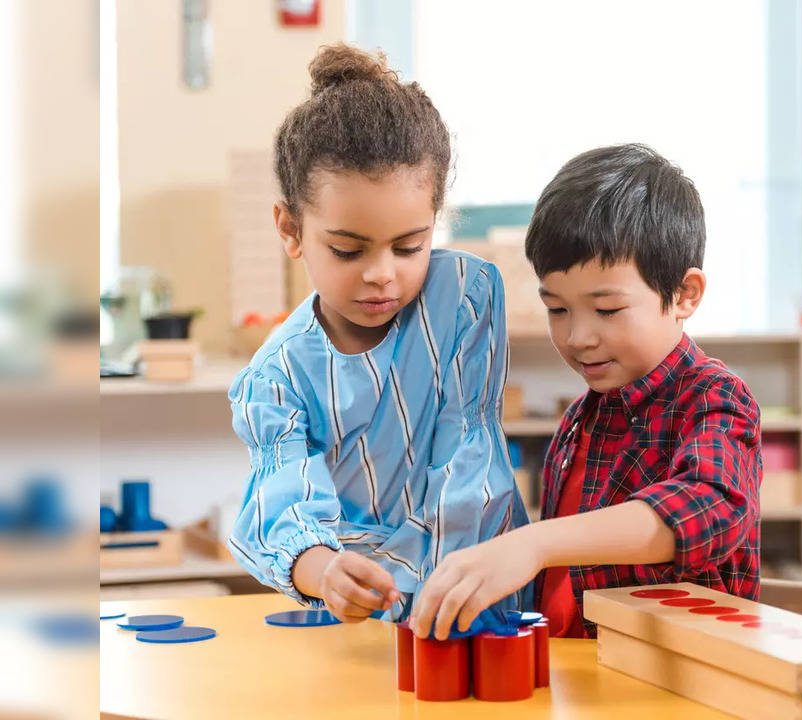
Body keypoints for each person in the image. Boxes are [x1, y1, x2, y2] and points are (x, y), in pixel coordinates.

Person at [408, 144, 763, 640]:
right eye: (558, 309)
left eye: (607, 310)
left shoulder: (712, 397)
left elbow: (711, 503)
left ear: (684, 295)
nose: (578, 338)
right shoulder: (582, 416)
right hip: (579, 676)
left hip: (672, 687)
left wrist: (535, 543)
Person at [227, 44, 529, 626]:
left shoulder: (462, 298)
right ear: (291, 229)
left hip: (476, 596)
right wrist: (326, 571)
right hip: (361, 612)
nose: (382, 273)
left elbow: (467, 463)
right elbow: (278, 506)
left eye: (410, 245)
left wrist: (441, 589)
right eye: (348, 249)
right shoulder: (277, 377)